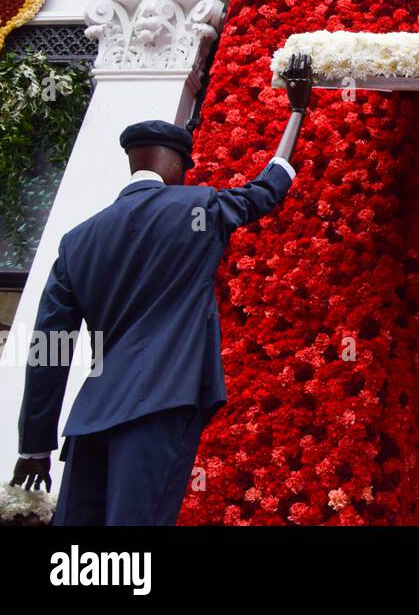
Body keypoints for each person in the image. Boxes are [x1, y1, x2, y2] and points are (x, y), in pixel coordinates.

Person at [8, 54, 315, 525]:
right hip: (161, 405)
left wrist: (34, 445)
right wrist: (297, 111)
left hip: (90, 421)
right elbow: (267, 189)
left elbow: (49, 349)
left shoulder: (77, 242)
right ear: (176, 166)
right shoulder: (198, 207)